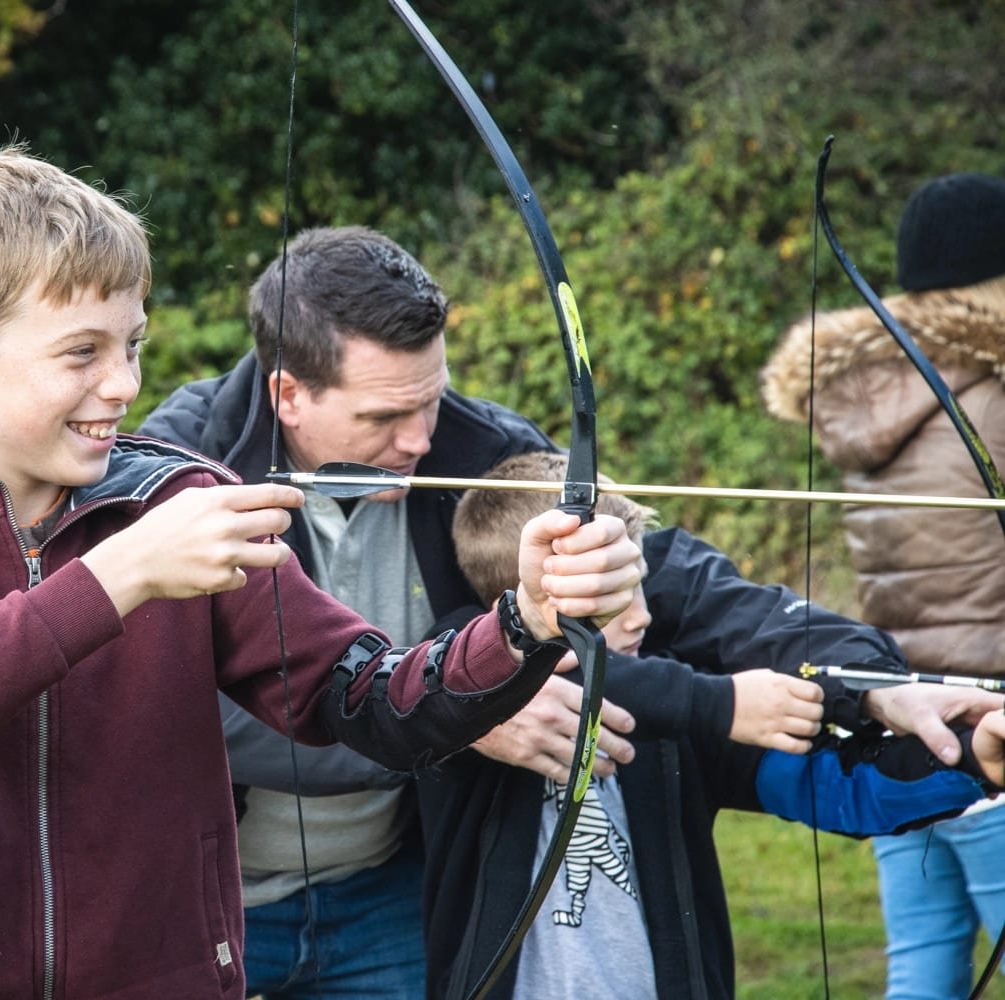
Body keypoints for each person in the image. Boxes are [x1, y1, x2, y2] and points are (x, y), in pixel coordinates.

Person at [0, 146, 643, 1000]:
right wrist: (119, 573)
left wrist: (523, 620)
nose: (123, 383)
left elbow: (371, 696)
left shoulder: (185, 499)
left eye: (131, 344)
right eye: (81, 352)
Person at [139, 225, 592, 998]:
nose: (420, 439)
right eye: (385, 418)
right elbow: (170, 706)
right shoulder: (173, 472)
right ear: (289, 394)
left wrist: (817, 671)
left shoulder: (476, 447)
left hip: (389, 892)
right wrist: (465, 721)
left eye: (431, 399)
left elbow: (675, 580)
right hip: (203, 902)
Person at [418, 451, 1005, 1000]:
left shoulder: (674, 720)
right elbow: (526, 674)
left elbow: (838, 787)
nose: (643, 614)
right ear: (525, 602)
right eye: (612, 596)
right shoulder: (463, 698)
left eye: (640, 584)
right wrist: (722, 702)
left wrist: (974, 756)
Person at [762, 170, 1005, 1000]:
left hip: (907, 720)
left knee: (922, 973)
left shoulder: (872, 389)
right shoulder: (993, 388)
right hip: (996, 729)